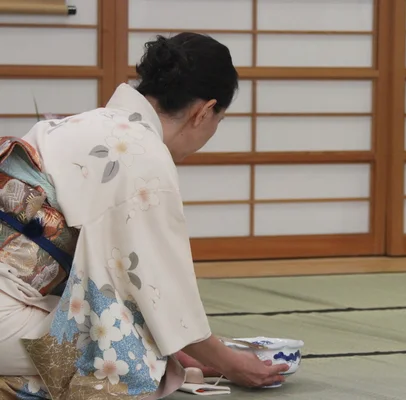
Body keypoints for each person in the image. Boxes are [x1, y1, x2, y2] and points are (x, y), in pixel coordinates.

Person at [0, 32, 288, 399]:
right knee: (124, 356)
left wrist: (176, 345)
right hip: (5, 316)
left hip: (12, 296)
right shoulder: (143, 157)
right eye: (219, 120)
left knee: (131, 330)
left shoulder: (78, 125)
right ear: (204, 111)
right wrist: (232, 363)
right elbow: (160, 291)